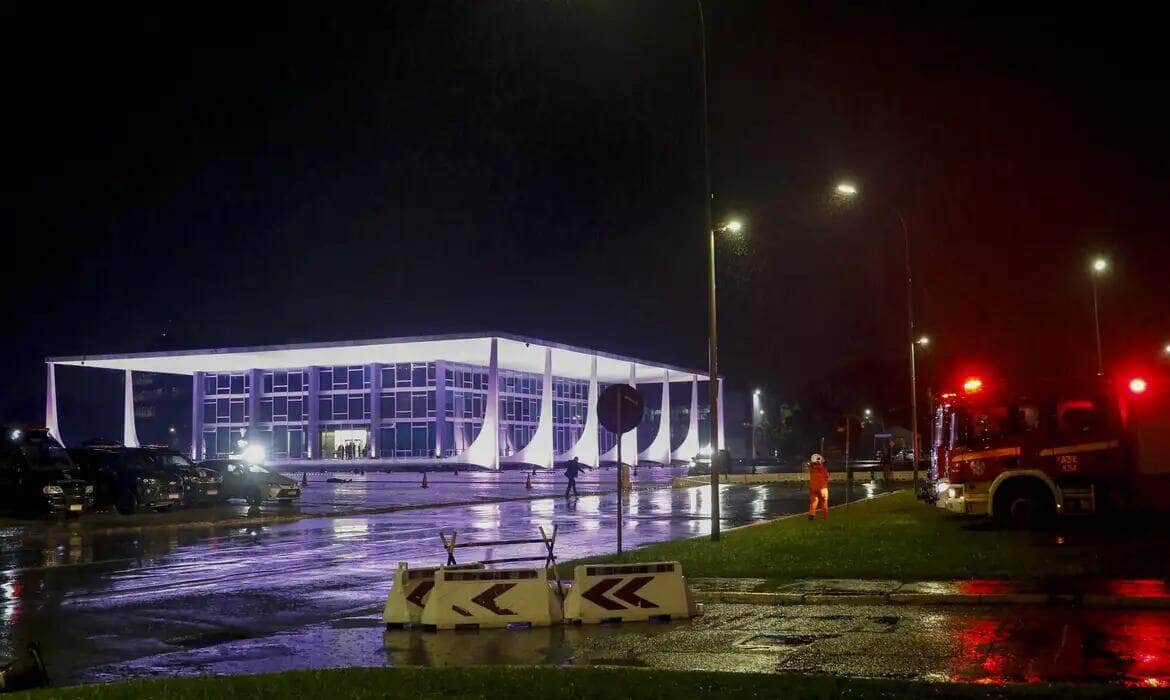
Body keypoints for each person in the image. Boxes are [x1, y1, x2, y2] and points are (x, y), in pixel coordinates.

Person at [808, 453, 830, 520]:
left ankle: (812, 515)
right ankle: (825, 517)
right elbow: (827, 477)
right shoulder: (823, 469)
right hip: (822, 488)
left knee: (813, 502)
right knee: (824, 502)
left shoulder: (811, 469)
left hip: (813, 488)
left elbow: (810, 464)